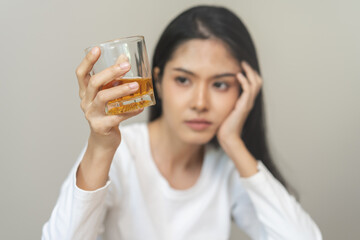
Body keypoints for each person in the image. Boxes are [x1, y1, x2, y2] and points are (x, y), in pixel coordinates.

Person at [42, 5, 322, 240]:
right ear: (158, 82)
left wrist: (233, 143)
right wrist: (101, 147)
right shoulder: (122, 154)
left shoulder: (226, 167)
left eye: (221, 85)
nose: (200, 102)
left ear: (244, 90)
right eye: (183, 80)